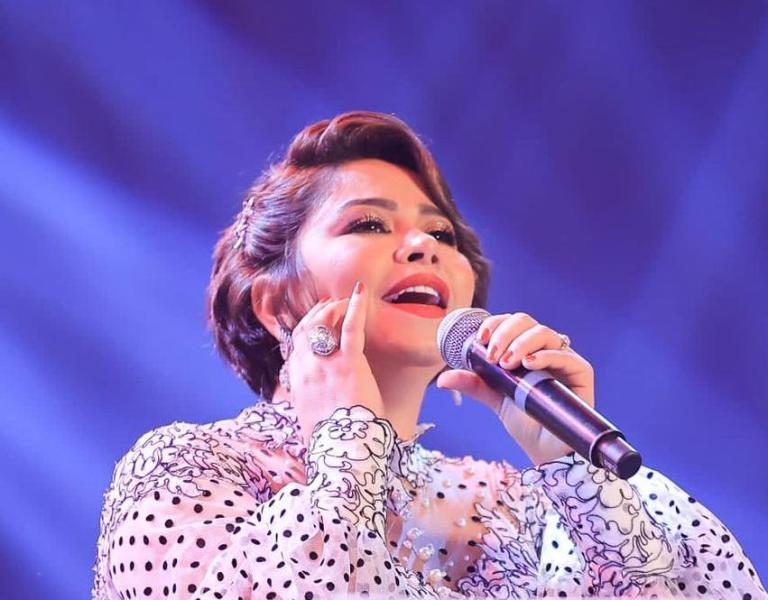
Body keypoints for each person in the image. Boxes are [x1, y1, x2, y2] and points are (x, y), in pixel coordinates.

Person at [92, 111, 765, 599]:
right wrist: (348, 442)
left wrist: (577, 475)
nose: (424, 247)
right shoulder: (189, 468)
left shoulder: (516, 505)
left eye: (442, 234)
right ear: (276, 304)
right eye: (369, 223)